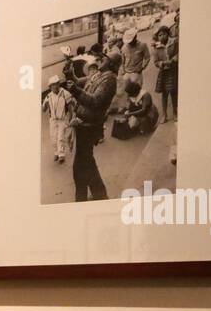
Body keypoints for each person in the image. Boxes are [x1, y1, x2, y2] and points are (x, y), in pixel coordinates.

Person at [64, 54, 117, 201]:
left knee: (79, 165)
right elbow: (77, 82)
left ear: (111, 64)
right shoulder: (99, 75)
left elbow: (95, 102)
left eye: (104, 58)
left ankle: (82, 197)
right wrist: (69, 72)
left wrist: (75, 90)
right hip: (83, 124)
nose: (100, 59)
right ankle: (99, 193)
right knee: (87, 161)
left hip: (89, 126)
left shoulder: (110, 80)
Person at [42, 76, 74, 164]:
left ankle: (61, 155)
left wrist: (71, 117)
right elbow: (43, 109)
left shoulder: (65, 93)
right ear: (50, 87)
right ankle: (56, 153)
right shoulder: (49, 96)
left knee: (60, 137)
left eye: (56, 84)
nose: (55, 86)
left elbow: (71, 106)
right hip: (52, 119)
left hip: (62, 119)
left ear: (59, 84)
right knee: (53, 137)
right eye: (52, 85)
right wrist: (45, 104)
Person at [153, 25, 178, 123]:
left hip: (173, 70)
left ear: (167, 34)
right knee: (164, 94)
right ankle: (164, 115)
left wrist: (173, 60)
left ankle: (175, 113)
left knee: (173, 92)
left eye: (163, 34)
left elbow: (178, 54)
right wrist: (162, 63)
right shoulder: (157, 47)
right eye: (159, 35)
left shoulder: (174, 42)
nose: (161, 37)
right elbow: (155, 62)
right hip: (163, 72)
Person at [119, 27, 151, 91]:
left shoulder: (142, 45)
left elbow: (147, 57)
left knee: (137, 92)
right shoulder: (124, 47)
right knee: (126, 92)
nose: (130, 43)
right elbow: (122, 61)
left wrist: (142, 67)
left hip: (137, 73)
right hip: (127, 73)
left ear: (135, 37)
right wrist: (123, 71)